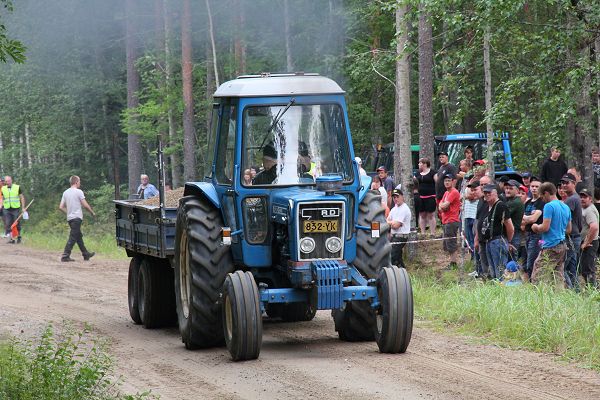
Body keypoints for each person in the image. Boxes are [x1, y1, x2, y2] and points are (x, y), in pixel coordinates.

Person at [531, 182, 571, 287]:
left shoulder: (549, 206)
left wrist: (535, 227)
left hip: (550, 246)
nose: (542, 199)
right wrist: (558, 230)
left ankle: (539, 298)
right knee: (557, 276)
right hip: (562, 244)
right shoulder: (565, 206)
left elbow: (545, 227)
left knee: (538, 275)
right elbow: (569, 229)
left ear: (547, 193)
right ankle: (558, 298)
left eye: (542, 196)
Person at [480, 184, 514, 280]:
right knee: (493, 271)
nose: (486, 195)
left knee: (500, 270)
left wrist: (508, 241)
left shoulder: (501, 206)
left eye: (489, 193)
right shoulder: (487, 206)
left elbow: (510, 227)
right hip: (489, 242)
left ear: (495, 193)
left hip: (497, 241)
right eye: (485, 193)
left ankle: (502, 290)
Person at [59, 175, 95, 262]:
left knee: (78, 236)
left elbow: (61, 207)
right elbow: (85, 205)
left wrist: (68, 212)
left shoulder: (65, 192)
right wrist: (92, 212)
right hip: (77, 218)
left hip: (70, 218)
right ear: (76, 182)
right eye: (79, 182)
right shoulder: (79, 192)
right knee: (73, 236)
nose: (80, 183)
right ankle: (65, 255)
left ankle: (86, 254)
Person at [560, 173, 583, 289]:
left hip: (571, 238)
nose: (564, 185)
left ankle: (571, 292)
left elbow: (563, 217)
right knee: (571, 269)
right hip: (575, 237)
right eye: (562, 183)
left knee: (562, 267)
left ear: (574, 184)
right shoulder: (574, 198)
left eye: (567, 182)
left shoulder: (572, 199)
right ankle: (576, 292)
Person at [521, 177, 544, 281]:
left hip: (537, 235)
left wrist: (527, 218)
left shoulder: (542, 202)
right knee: (527, 262)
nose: (534, 188)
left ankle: (535, 283)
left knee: (532, 262)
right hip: (527, 234)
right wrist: (528, 218)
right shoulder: (528, 202)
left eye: (537, 186)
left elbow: (534, 219)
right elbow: (521, 219)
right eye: (532, 186)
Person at [439, 173, 461, 269]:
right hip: (445, 220)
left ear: (453, 181)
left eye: (448, 180)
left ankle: (454, 263)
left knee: (451, 242)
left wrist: (443, 206)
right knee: (447, 243)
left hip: (451, 220)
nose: (447, 182)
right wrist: (442, 206)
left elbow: (444, 205)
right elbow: (440, 206)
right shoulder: (446, 193)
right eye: (445, 181)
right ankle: (451, 262)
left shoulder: (454, 192)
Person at [578, 188, 599, 288]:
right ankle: (589, 288)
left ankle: (593, 290)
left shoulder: (590, 210)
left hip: (591, 243)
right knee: (585, 268)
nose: (582, 199)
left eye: (585, 197)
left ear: (590, 199)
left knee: (588, 268)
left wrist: (586, 243)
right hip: (586, 242)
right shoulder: (585, 208)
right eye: (581, 197)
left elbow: (594, 227)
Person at [387, 189, 411, 268]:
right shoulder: (394, 209)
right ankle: (402, 271)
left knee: (391, 257)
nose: (395, 199)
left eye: (397, 196)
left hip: (401, 237)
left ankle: (393, 274)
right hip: (394, 236)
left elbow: (396, 226)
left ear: (402, 197)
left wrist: (391, 223)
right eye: (394, 197)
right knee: (397, 257)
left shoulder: (404, 209)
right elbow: (387, 220)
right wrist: (392, 223)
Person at [415, 157, 437, 235]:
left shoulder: (432, 172)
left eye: (420, 163)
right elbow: (414, 182)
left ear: (424, 164)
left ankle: (432, 233)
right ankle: (423, 233)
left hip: (430, 197)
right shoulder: (417, 173)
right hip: (420, 197)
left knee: (431, 215)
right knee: (422, 215)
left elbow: (437, 183)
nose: (418, 164)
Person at [0, 176, 25, 243]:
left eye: (8, 181)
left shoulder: (17, 187)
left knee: (16, 223)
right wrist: (0, 206)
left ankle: (19, 237)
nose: (7, 182)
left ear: (11, 180)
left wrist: (23, 208)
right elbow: (2, 198)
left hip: (15, 208)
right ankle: (11, 239)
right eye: (6, 181)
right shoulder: (3, 188)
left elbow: (22, 197)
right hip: (6, 208)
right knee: (8, 223)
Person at [462, 180, 481, 266]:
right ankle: (473, 257)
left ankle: (477, 258)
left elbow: (470, 197)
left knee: (475, 239)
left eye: (474, 189)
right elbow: (463, 197)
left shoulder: (480, 195)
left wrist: (469, 195)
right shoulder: (466, 191)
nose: (472, 191)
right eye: (471, 189)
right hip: (467, 216)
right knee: (469, 240)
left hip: (475, 217)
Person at [504, 179, 525, 257]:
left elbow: (502, 216)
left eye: (511, 188)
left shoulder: (515, 202)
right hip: (512, 233)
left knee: (511, 259)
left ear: (517, 191)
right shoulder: (510, 201)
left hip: (513, 234)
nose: (508, 190)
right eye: (506, 188)